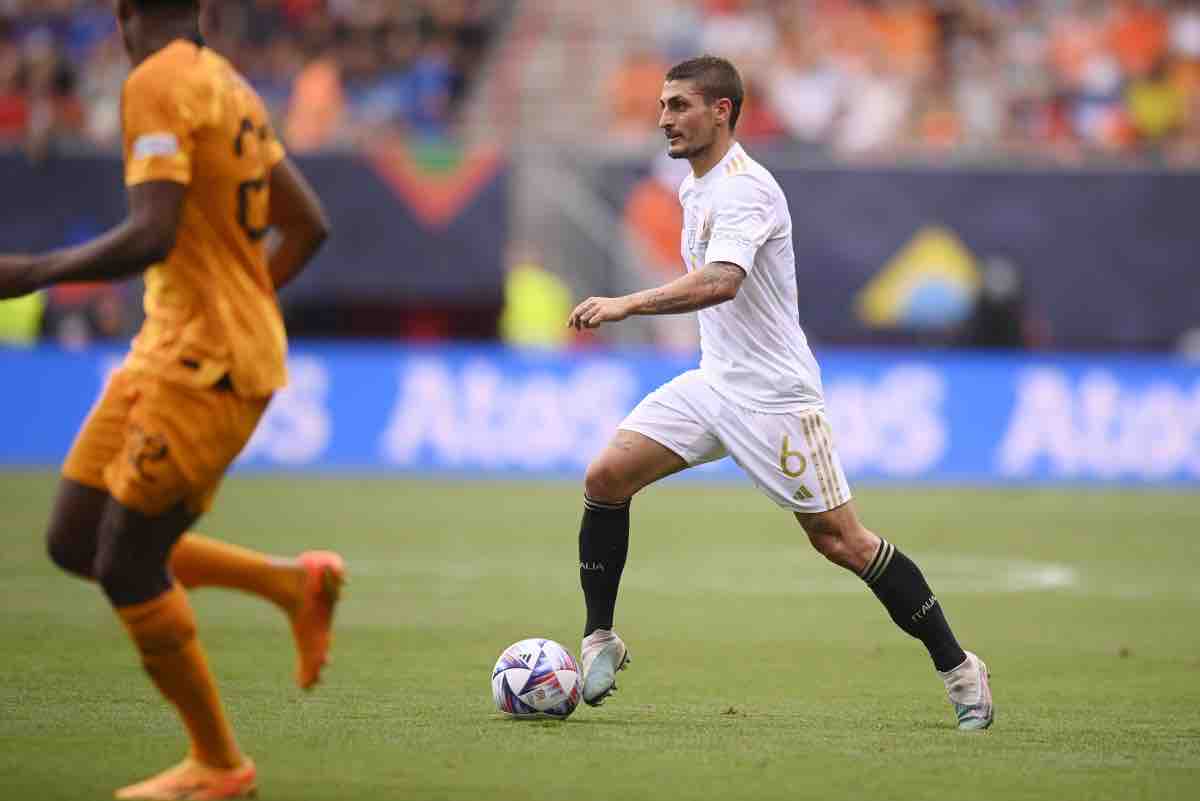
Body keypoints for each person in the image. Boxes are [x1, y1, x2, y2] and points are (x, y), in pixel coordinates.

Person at [566, 56, 993, 731]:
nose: (663, 119)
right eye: (662, 105)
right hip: (714, 381)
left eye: (679, 105)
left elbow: (722, 280)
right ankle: (600, 640)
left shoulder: (746, 190)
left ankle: (962, 670)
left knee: (842, 541)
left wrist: (626, 304)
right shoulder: (692, 188)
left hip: (776, 399)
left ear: (721, 111)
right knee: (606, 475)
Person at [0, 1, 340, 797]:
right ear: (203, 11)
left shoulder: (155, 82)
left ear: (122, 14)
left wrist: (32, 271)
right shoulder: (227, 82)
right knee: (73, 538)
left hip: (206, 366)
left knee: (126, 562)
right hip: (165, 350)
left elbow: (153, 232)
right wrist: (246, 302)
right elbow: (310, 225)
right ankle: (291, 584)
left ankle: (220, 765)